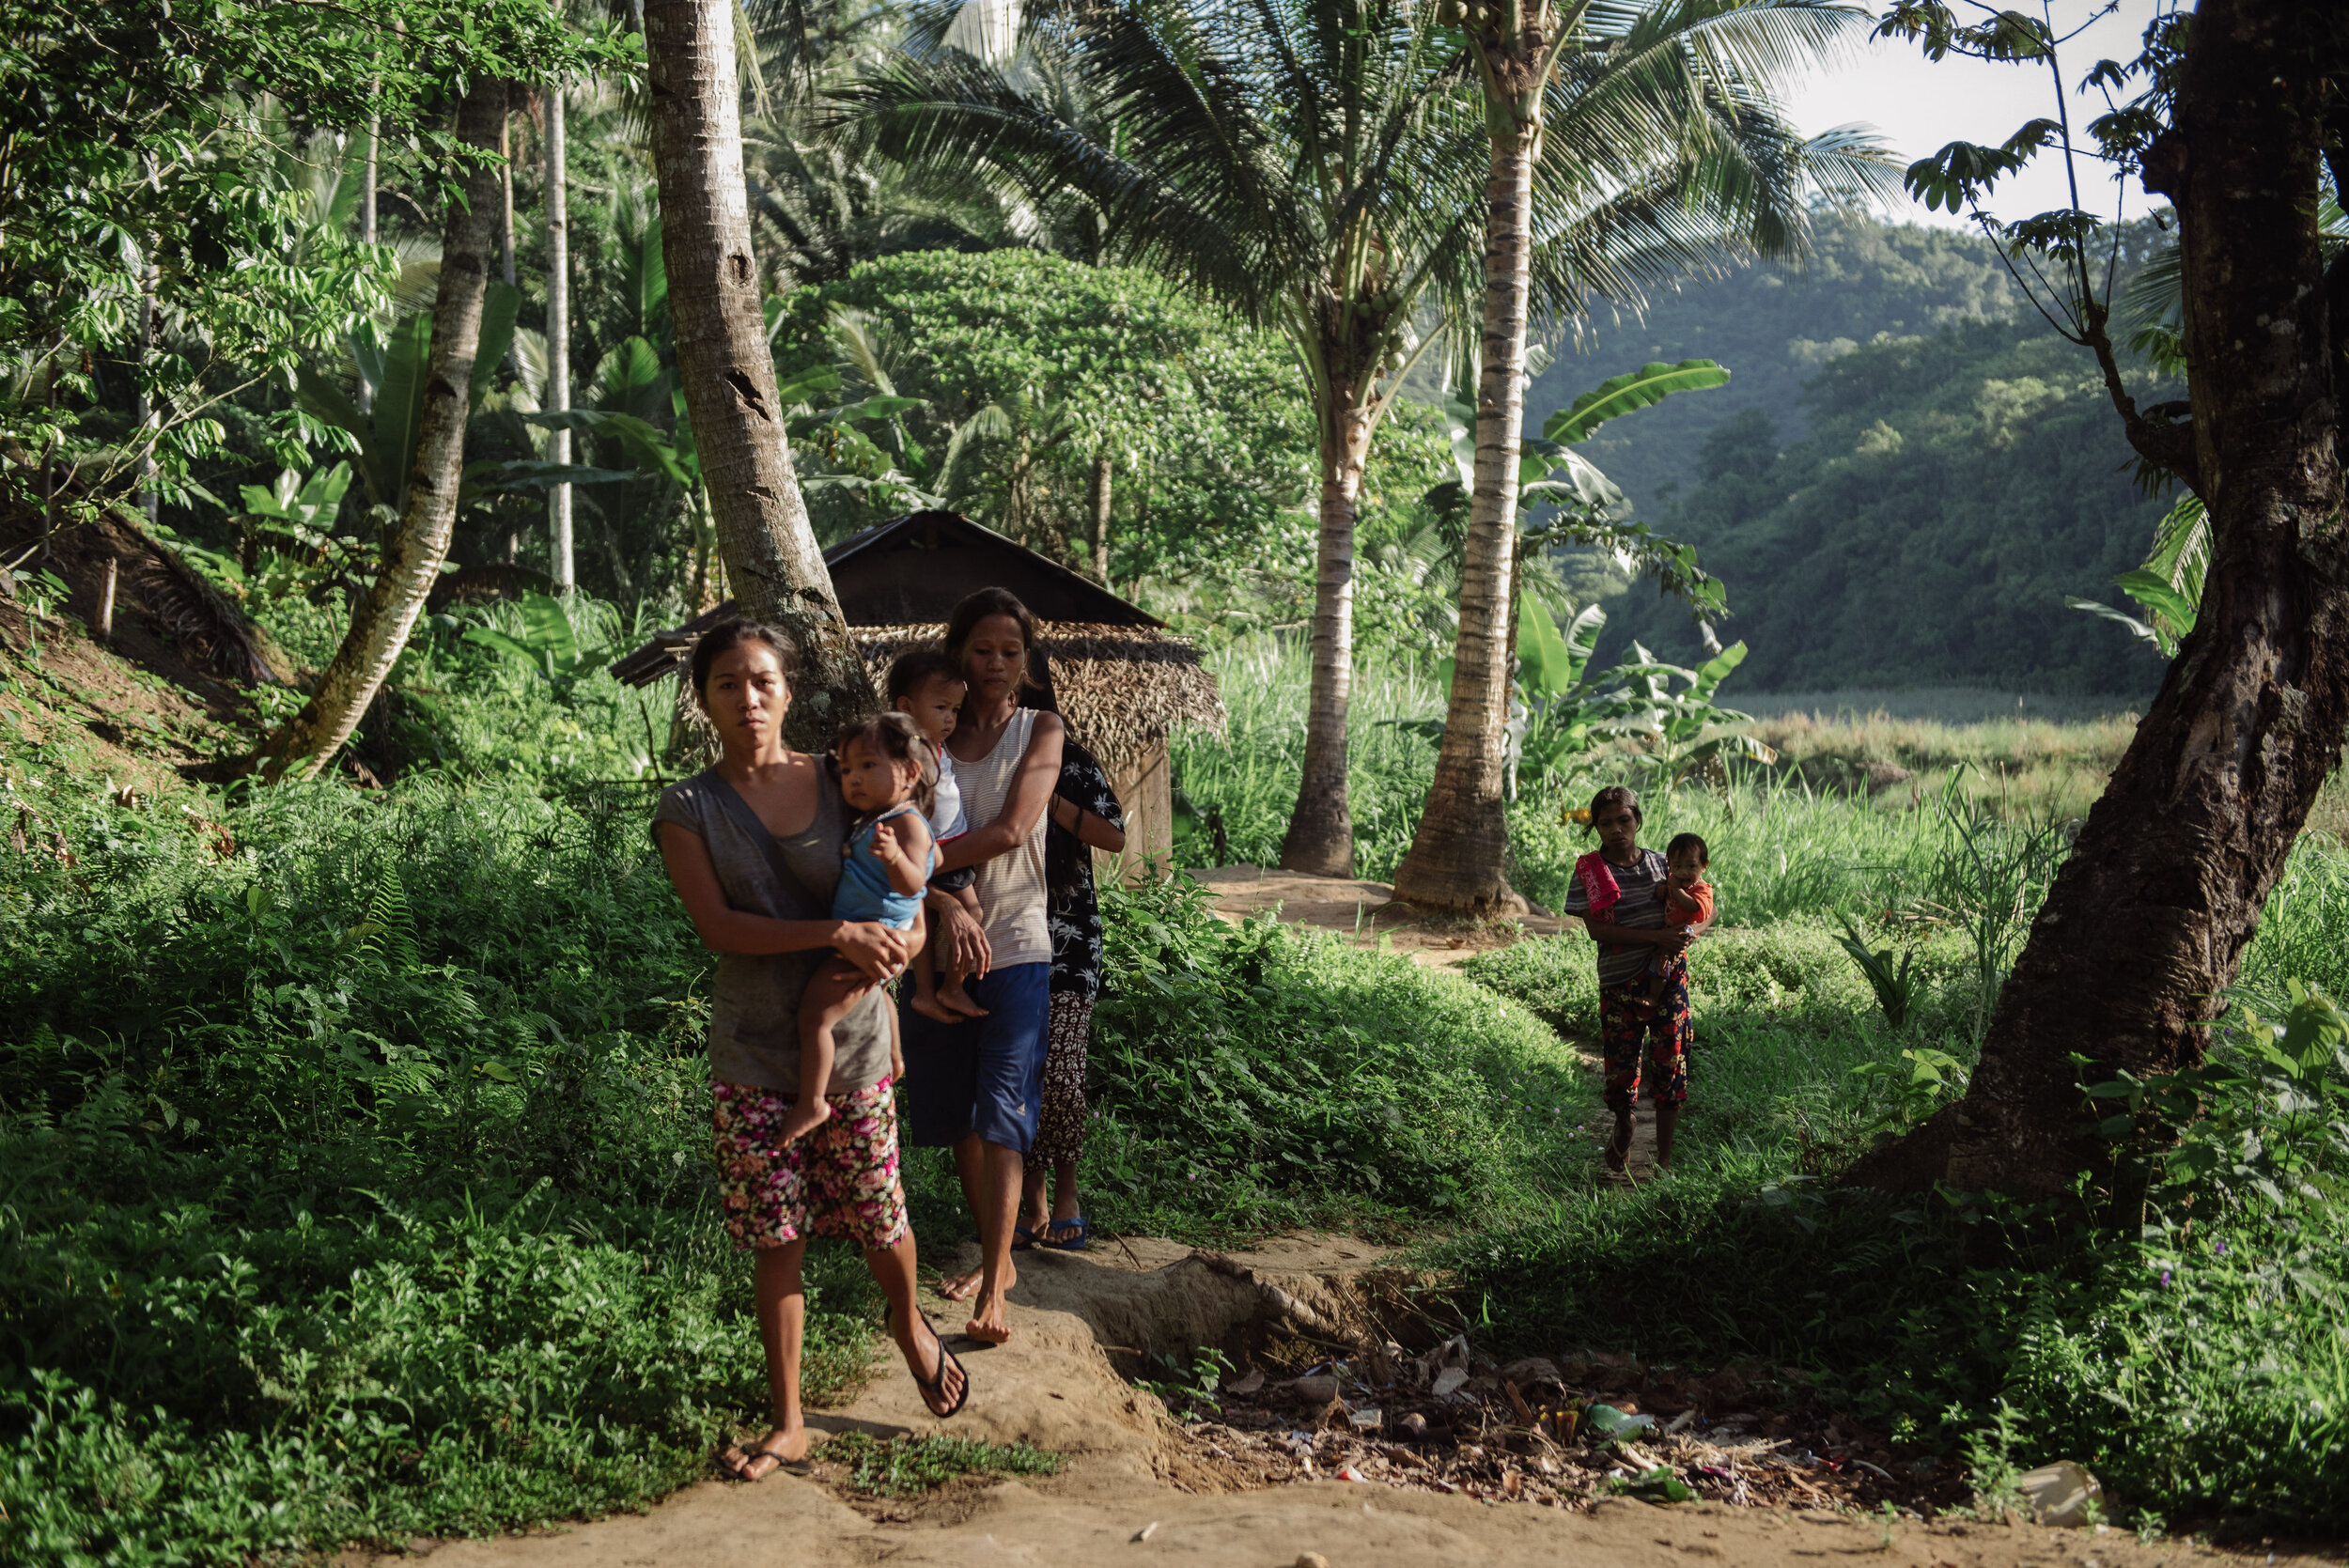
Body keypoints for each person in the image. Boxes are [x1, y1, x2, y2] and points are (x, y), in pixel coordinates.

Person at [652, 618, 967, 1481]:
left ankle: (907, 1323)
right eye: (726, 683)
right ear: (704, 699)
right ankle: (789, 1417)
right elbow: (719, 926)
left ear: (788, 691)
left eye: (762, 680)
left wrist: (906, 949)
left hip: (856, 1042)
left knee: (878, 1212)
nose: (747, 698)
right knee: (775, 1235)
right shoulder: (690, 807)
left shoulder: (845, 780)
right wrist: (837, 928)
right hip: (753, 1053)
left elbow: (910, 875)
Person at [900, 587, 1064, 1346]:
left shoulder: (1042, 728)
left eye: (1010, 651)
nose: (995, 664)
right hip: (931, 939)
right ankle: (996, 1258)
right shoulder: (920, 733)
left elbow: (1009, 829)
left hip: (1018, 944)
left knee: (1002, 1113)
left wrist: (917, 862)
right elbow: (879, 816)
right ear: (958, 653)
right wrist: (938, 897)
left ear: (1025, 661)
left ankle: (997, 1279)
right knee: (965, 1118)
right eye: (981, 650)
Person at [785, 713, 938, 1147]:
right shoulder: (887, 818)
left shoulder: (905, 823)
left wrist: (894, 859)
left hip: (874, 934)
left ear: (910, 772)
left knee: (815, 1014)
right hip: (874, 934)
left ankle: (812, 1100)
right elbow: (935, 860)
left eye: (868, 765)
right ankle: (893, 1054)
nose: (854, 778)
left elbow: (915, 882)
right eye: (847, 769)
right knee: (873, 990)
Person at [1017, 736, 1126, 1251]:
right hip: (1007, 932)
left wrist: (1047, 798)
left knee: (1062, 1074)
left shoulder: (1071, 760)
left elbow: (1115, 836)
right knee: (1022, 1073)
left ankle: (1066, 1192)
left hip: (1071, 936)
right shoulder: (979, 751)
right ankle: (1033, 1199)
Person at [1562, 784, 1698, 1175]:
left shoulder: (1662, 865)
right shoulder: (1589, 872)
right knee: (1622, 1071)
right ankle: (1625, 1121)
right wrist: (1656, 937)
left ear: (1637, 821)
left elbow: (1705, 906)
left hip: (1668, 980)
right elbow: (1597, 932)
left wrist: (1690, 933)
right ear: (1597, 829)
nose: (1616, 829)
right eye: (1606, 823)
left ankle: (1666, 1160)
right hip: (1620, 984)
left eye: (1624, 820)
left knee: (1671, 1063)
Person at [887, 645, 988, 1024]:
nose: (950, 718)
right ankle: (952, 988)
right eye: (941, 708)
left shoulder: (932, 745)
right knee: (972, 911)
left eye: (955, 710)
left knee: (923, 923)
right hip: (939, 849)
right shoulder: (911, 752)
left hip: (939, 847)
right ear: (907, 707)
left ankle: (926, 994)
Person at [1635, 832, 1714, 1018]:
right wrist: (1664, 890)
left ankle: (1654, 995)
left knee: (1663, 959)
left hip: (1684, 931)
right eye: (1677, 866)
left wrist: (1676, 889)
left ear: (1704, 866)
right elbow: (1665, 895)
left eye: (1691, 866)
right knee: (1658, 957)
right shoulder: (1675, 881)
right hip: (1667, 928)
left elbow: (1695, 908)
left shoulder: (1701, 889)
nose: (1684, 872)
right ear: (1670, 865)